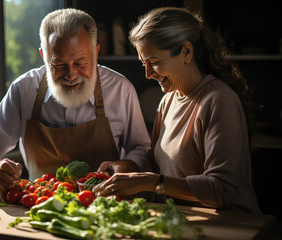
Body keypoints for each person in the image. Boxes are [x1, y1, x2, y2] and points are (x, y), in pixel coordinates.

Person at [94, 7, 261, 213]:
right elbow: (160, 168)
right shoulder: (167, 101)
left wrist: (151, 181)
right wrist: (128, 168)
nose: (147, 74)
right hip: (184, 222)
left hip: (231, 226)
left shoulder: (219, 100)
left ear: (186, 52)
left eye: (153, 62)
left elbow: (222, 190)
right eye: (143, 64)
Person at [0, 8, 151, 192]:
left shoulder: (120, 90)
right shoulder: (23, 89)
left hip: (106, 204)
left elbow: (141, 148)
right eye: (58, 64)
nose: (71, 75)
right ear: (43, 57)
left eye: (80, 63)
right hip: (40, 203)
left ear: (96, 52)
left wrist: (127, 165)